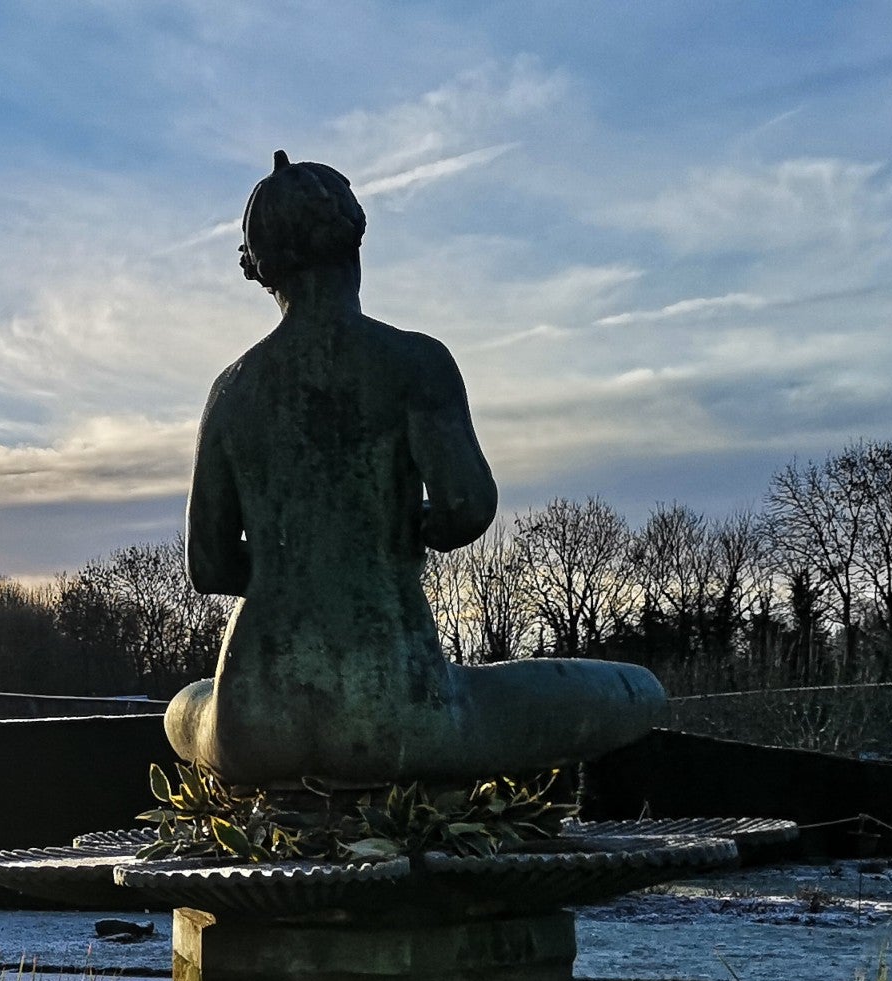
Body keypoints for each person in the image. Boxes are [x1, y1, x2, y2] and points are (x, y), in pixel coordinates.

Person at [164, 152, 662, 788]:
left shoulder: (231, 390)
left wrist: (293, 567)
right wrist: (400, 530)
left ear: (262, 268)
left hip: (255, 715)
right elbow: (467, 508)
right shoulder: (414, 362)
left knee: (187, 708)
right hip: (397, 710)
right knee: (630, 689)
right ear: (355, 239)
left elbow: (208, 566)